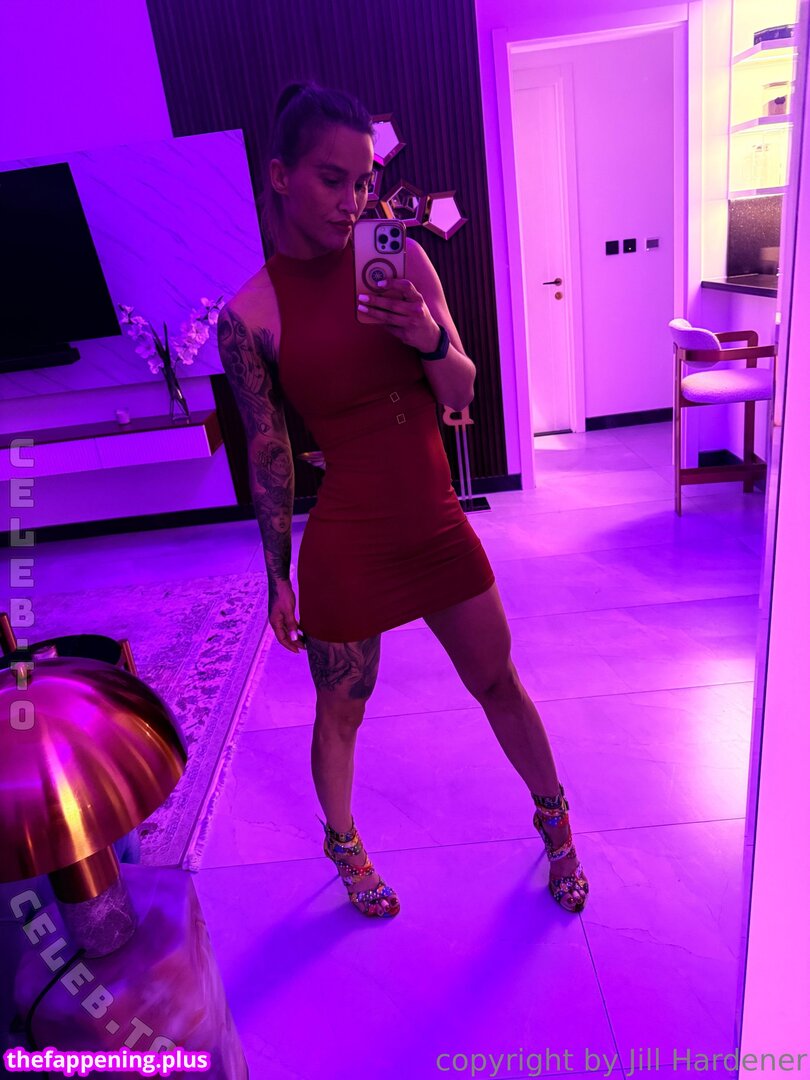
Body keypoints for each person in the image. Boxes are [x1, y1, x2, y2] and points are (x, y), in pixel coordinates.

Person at [217, 79, 589, 918]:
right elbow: (269, 455)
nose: (352, 201)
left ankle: (557, 821)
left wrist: (424, 334)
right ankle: (344, 845)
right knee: (341, 711)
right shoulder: (251, 314)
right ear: (279, 175)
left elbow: (461, 387)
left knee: (498, 681)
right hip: (347, 540)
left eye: (361, 181)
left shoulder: (405, 259)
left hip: (434, 521)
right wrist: (277, 575)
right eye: (331, 179)